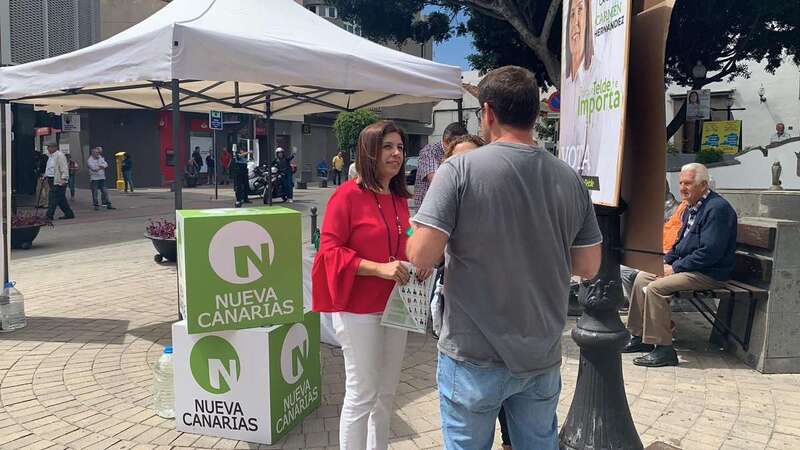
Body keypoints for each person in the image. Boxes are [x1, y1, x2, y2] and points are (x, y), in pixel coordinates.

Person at [407, 66, 602, 449]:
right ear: (536, 113)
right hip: (540, 353)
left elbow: (422, 255)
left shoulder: (459, 169)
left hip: (472, 354)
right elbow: (588, 266)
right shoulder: (569, 178)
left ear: (488, 112)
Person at [312, 121, 427, 450]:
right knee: (362, 393)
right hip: (357, 309)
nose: (396, 154)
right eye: (387, 147)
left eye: (400, 148)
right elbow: (329, 253)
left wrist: (416, 250)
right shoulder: (345, 197)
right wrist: (379, 268)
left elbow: (404, 233)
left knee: (386, 394)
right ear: (368, 153)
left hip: (397, 306)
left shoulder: (398, 198)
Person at [623, 163, 738, 368]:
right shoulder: (691, 208)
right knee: (643, 276)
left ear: (703, 185)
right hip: (691, 267)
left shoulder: (717, 209)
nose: (683, 188)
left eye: (688, 184)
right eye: (681, 183)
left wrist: (675, 268)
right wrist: (664, 263)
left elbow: (710, 253)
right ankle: (640, 337)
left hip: (709, 272)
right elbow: (680, 244)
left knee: (657, 288)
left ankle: (664, 349)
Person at [620, 182, 687, 302]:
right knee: (623, 270)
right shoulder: (647, 207)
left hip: (670, 257)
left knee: (647, 276)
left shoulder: (680, 209)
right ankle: (638, 309)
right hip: (655, 254)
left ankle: (653, 312)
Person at [414, 122, 468, 208]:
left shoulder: (458, 154)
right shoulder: (430, 151)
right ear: (447, 141)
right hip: (429, 210)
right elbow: (434, 180)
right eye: (458, 145)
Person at [44, 144, 75, 220]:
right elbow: (49, 167)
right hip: (51, 179)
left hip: (58, 180)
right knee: (61, 198)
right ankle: (69, 213)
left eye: (49, 147)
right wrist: (45, 175)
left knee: (53, 197)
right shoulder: (50, 156)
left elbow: (64, 167)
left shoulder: (60, 156)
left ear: (55, 147)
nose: (48, 149)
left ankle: (49, 215)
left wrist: (64, 178)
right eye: (47, 147)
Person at [87, 147, 115, 211]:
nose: (98, 154)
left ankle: (109, 204)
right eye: (96, 152)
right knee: (95, 193)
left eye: (98, 152)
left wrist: (100, 166)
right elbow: (93, 169)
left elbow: (106, 164)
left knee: (105, 192)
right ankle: (96, 205)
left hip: (102, 178)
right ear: (92, 153)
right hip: (94, 179)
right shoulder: (89, 160)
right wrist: (101, 166)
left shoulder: (100, 157)